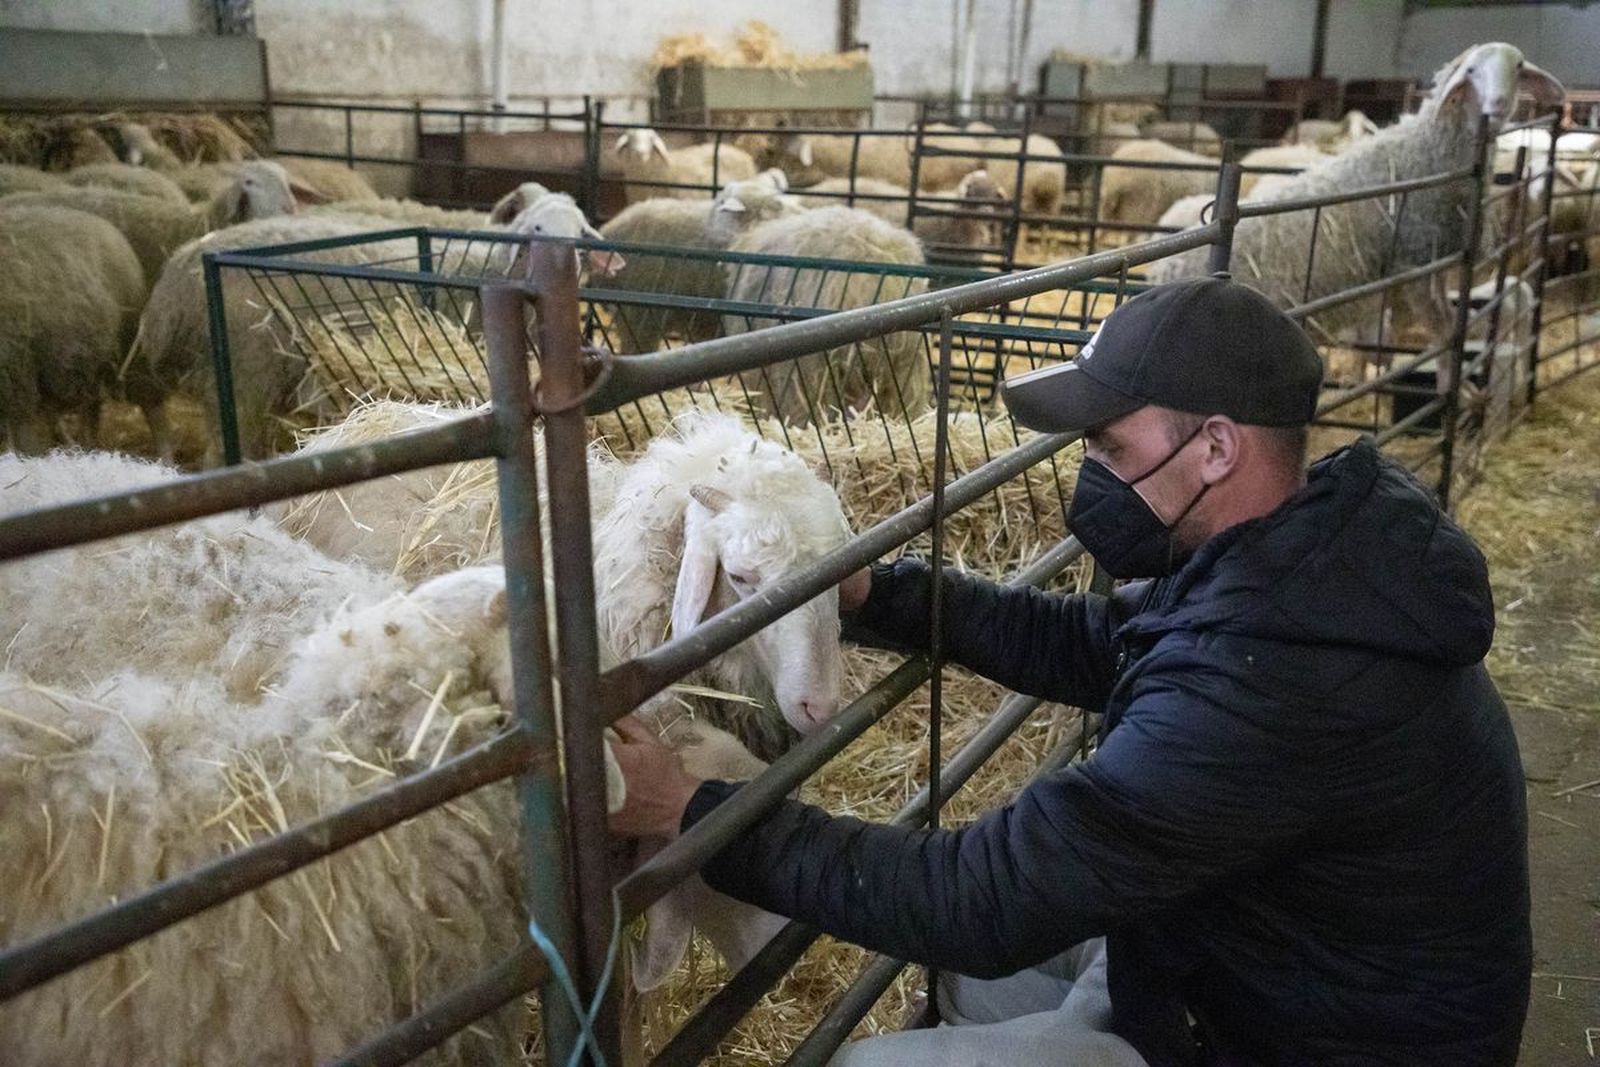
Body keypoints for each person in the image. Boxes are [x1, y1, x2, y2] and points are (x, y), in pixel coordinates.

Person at [608, 276, 1532, 1066]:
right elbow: (1094, 643)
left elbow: (971, 897)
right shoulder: (1306, 562)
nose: (1088, 469)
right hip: (1262, 974)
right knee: (981, 979)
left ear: (1215, 448)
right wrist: (870, 594)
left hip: (1306, 1042)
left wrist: (692, 814)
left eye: (1109, 446)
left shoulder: (1279, 684)